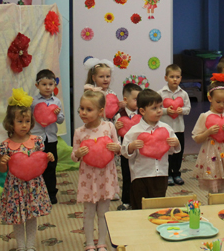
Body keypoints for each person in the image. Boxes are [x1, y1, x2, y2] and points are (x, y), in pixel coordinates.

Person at [0, 89, 54, 251]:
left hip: (33, 186)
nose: (24, 125)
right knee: (17, 217)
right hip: (15, 188)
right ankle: (21, 246)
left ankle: (30, 245)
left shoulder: (37, 141)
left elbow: (39, 162)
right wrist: (3, 162)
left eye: (27, 121)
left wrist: (48, 157)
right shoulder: (6, 145)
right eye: (20, 121)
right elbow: (2, 169)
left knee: (31, 216)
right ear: (11, 123)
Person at [71, 91, 121, 251]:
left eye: (88, 109)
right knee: (88, 212)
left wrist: (116, 148)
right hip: (88, 179)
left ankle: (101, 242)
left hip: (105, 177)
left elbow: (118, 147)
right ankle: (89, 244)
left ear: (100, 111)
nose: (83, 112)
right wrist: (78, 154)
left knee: (103, 212)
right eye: (81, 108)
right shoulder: (79, 132)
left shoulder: (109, 127)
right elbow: (74, 156)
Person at [121, 89, 180, 209]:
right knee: (140, 205)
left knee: (158, 205)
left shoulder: (166, 128)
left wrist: (176, 143)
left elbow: (172, 150)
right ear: (142, 111)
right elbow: (125, 152)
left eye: (160, 106)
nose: (159, 111)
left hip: (161, 174)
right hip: (140, 175)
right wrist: (131, 147)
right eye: (154, 108)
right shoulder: (134, 131)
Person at [192, 74, 224, 193]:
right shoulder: (205, 116)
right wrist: (208, 132)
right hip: (212, 154)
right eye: (218, 101)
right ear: (210, 98)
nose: (221, 105)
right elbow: (197, 139)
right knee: (213, 187)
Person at [31, 69, 65, 204]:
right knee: (36, 166)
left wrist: (57, 114)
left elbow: (61, 120)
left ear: (54, 85)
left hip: (51, 139)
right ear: (37, 85)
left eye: (50, 84)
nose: (47, 87)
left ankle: (51, 193)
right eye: (44, 84)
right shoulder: (33, 102)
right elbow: (28, 118)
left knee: (51, 166)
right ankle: (36, 193)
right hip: (36, 139)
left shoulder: (56, 101)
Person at [158, 64, 191, 186]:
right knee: (166, 152)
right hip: (165, 129)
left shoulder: (183, 94)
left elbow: (188, 109)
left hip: (178, 128)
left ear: (181, 78)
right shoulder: (160, 93)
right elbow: (157, 109)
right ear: (166, 78)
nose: (175, 79)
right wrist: (166, 111)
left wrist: (181, 110)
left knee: (178, 152)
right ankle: (168, 174)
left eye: (177, 77)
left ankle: (176, 173)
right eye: (172, 77)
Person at [114, 82, 142, 210]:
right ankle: (126, 201)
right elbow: (114, 135)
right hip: (126, 151)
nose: (138, 102)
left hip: (140, 150)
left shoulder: (142, 114)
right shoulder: (119, 115)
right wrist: (116, 128)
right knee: (127, 175)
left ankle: (138, 200)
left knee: (139, 175)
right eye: (135, 99)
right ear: (125, 100)